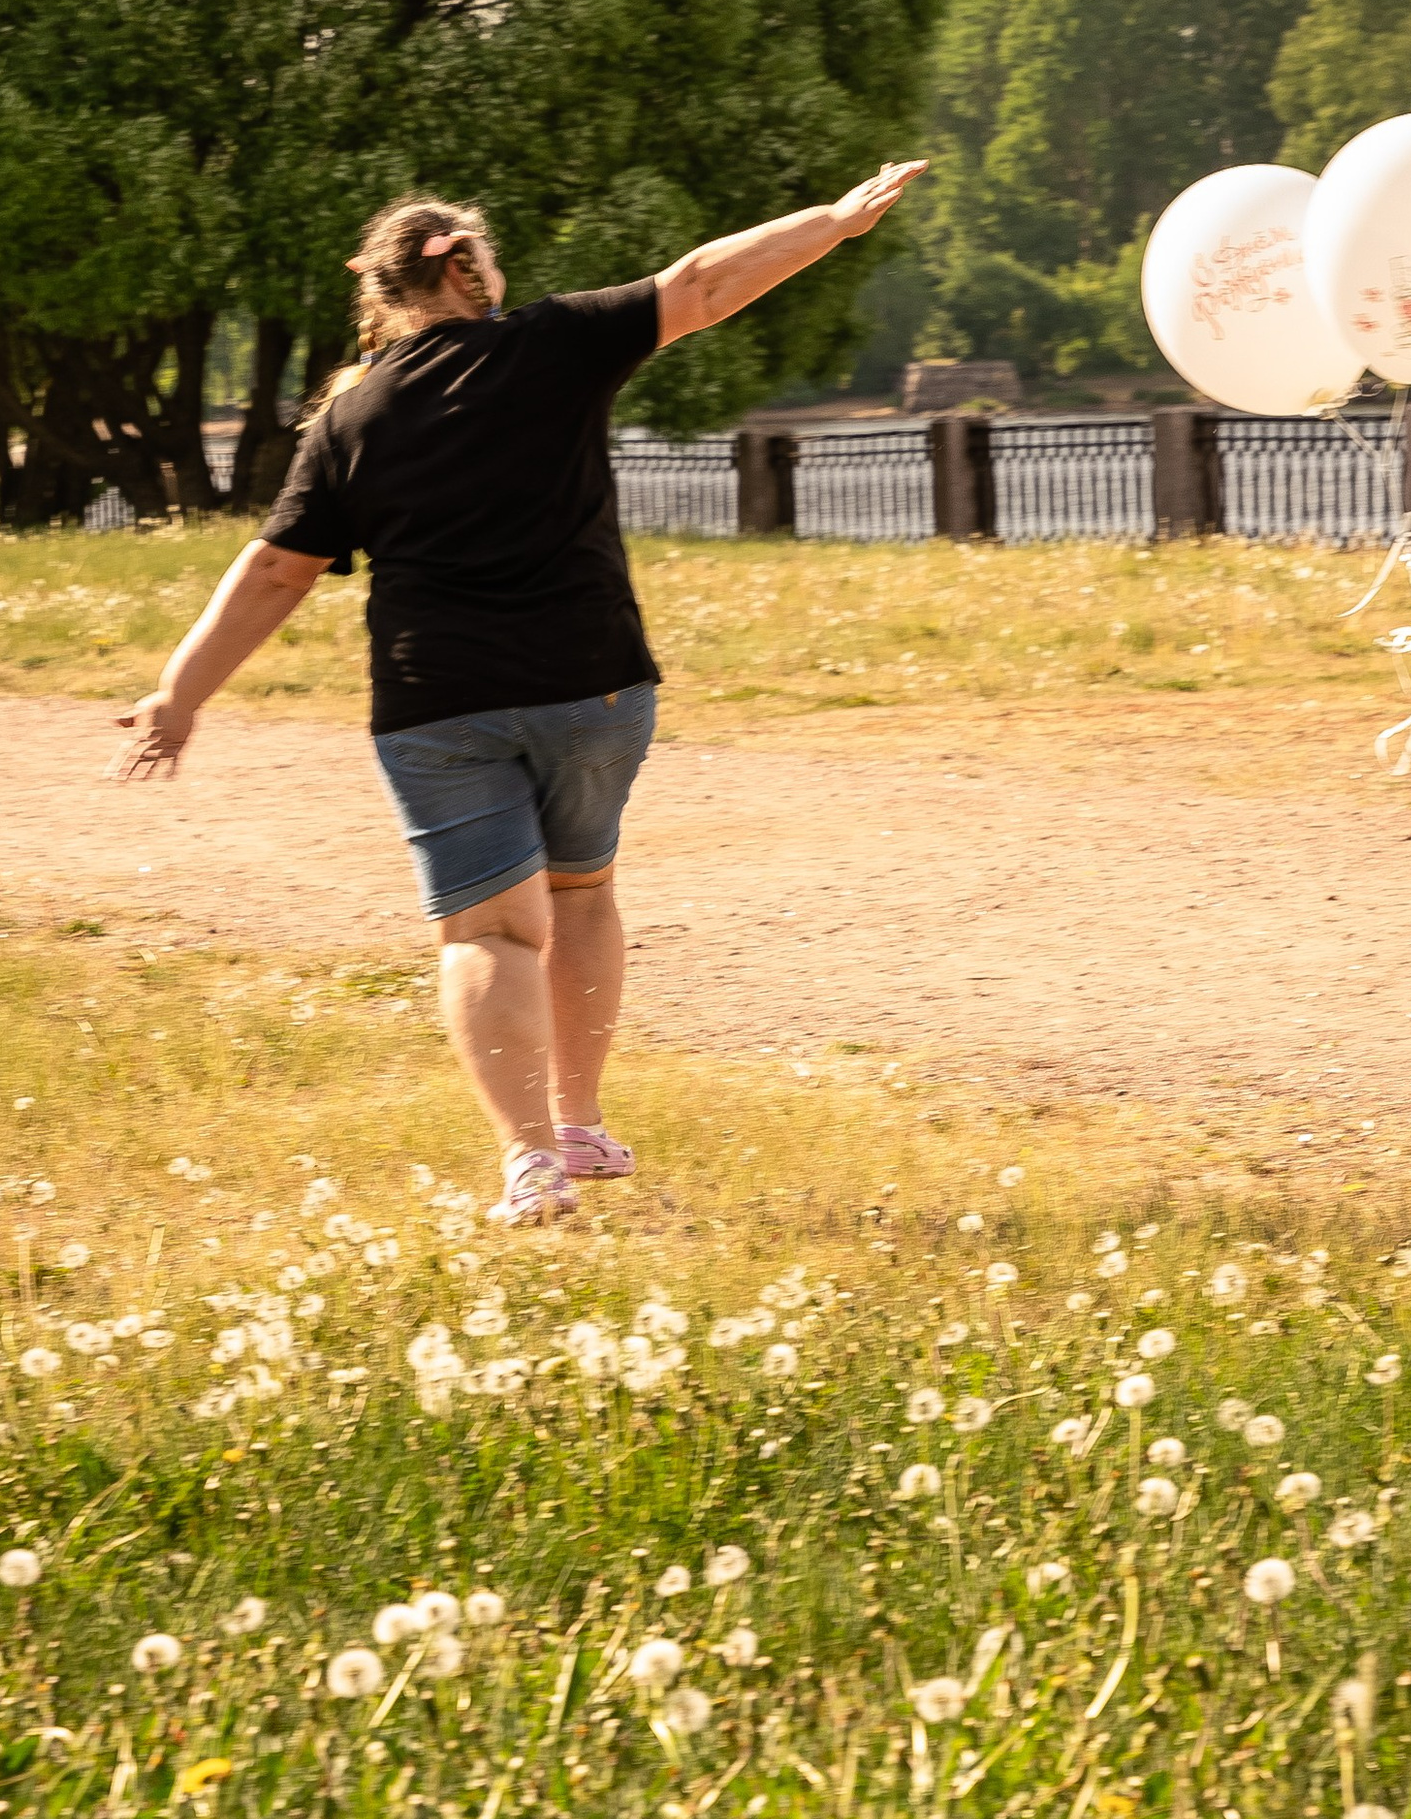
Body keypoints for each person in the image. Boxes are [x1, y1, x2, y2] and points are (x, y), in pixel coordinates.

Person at [113, 162, 924, 1221]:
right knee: (580, 892)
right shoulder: (555, 341)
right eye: (489, 260)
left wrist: (179, 695)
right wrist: (836, 221)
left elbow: (277, 571)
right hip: (592, 685)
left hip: (438, 704)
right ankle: (578, 1123)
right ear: (466, 271)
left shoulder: (351, 417)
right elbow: (701, 284)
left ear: (384, 290)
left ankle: (531, 1162)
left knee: (488, 934)